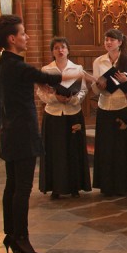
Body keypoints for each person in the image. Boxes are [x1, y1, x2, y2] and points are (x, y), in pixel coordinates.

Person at [0, 14, 81, 253]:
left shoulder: (2, 64)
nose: (27, 36)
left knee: (12, 186)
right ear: (12, 38)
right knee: (22, 189)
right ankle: (21, 237)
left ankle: (12, 234)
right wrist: (85, 75)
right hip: (23, 133)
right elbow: (50, 78)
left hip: (10, 131)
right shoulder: (17, 66)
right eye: (22, 33)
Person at [36, 37, 91, 200]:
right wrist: (55, 98)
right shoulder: (46, 70)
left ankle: (75, 186)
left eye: (63, 48)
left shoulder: (77, 68)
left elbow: (83, 90)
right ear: (52, 51)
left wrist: (73, 99)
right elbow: (40, 92)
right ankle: (55, 187)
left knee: (73, 150)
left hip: (72, 113)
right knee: (54, 151)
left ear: (68, 50)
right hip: (53, 114)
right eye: (57, 48)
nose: (60, 50)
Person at [90, 29, 127, 196]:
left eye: (112, 40)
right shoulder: (99, 61)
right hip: (105, 106)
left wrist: (125, 81)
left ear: (120, 42)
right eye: (106, 39)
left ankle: (124, 184)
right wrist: (99, 85)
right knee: (106, 147)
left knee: (122, 147)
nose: (108, 42)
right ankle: (107, 184)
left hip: (123, 107)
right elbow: (94, 86)